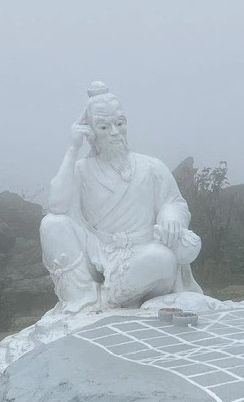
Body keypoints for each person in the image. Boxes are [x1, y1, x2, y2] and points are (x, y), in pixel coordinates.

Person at [39, 81, 203, 312]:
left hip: (142, 252)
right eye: (104, 127)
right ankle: (83, 300)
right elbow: (56, 205)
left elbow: (173, 202)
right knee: (52, 224)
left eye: (119, 124)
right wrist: (72, 149)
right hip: (98, 253)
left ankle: (109, 300)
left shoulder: (151, 167)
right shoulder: (81, 170)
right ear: (91, 132)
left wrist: (170, 217)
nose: (115, 133)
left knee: (161, 259)